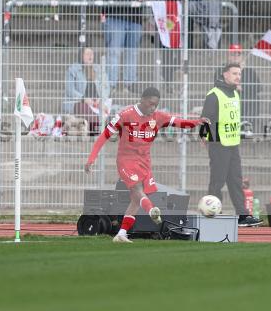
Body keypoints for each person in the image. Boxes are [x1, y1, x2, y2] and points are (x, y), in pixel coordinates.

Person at [84, 87, 207, 243]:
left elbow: (179, 122)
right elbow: (104, 136)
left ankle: (121, 233)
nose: (153, 108)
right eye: (150, 104)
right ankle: (151, 210)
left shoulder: (158, 117)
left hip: (144, 162)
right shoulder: (125, 115)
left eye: (156, 105)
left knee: (136, 200)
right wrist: (91, 159)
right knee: (137, 189)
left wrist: (197, 122)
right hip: (126, 160)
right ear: (142, 100)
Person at [200, 63, 262, 227]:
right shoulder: (214, 94)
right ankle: (212, 214)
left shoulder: (235, 93)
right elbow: (206, 118)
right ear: (225, 74)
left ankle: (243, 215)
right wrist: (204, 137)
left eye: (239, 74)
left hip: (233, 144)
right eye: (234, 73)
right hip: (218, 143)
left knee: (236, 180)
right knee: (217, 181)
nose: (238, 77)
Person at [154, 0, 201, 87]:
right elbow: (159, 0)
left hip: (186, 24)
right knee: (168, 52)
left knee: (185, 52)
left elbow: (198, 0)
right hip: (169, 24)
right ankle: (167, 80)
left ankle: (182, 82)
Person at [214, 44, 262, 136]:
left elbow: (258, 87)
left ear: (242, 57)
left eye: (238, 54)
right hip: (228, 99)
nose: (235, 57)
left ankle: (246, 125)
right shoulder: (221, 70)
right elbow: (217, 84)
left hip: (245, 100)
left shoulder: (249, 71)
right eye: (233, 54)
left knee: (255, 98)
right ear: (228, 56)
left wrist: (243, 87)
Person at [62, 47, 111, 135]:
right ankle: (97, 127)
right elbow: (70, 90)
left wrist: (101, 99)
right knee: (84, 108)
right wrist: (83, 99)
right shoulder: (73, 69)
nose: (90, 56)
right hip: (80, 102)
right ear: (81, 56)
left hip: (97, 103)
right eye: (87, 54)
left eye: (92, 54)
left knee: (111, 109)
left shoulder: (98, 69)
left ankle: (95, 127)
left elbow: (106, 87)